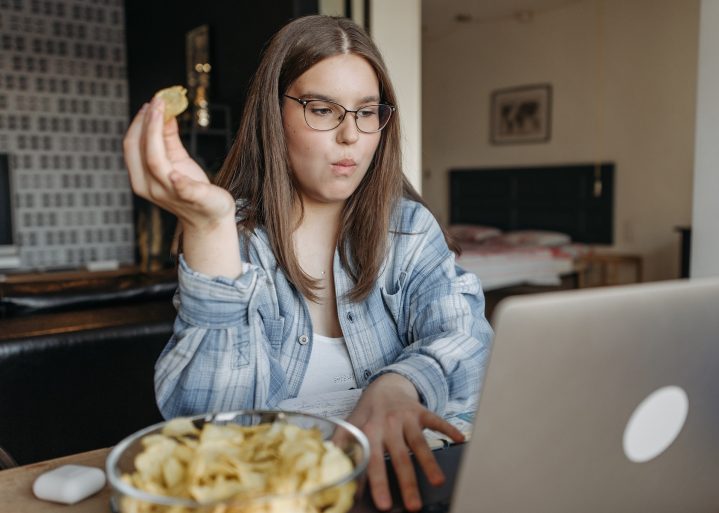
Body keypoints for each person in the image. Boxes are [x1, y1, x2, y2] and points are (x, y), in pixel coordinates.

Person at [122, 15, 492, 512]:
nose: (350, 136)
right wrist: (211, 229)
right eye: (322, 109)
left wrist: (398, 383)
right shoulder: (236, 244)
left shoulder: (408, 230)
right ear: (272, 115)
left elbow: (469, 344)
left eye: (367, 112)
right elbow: (208, 422)